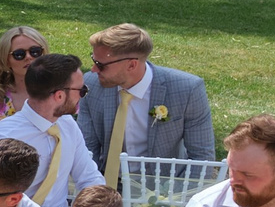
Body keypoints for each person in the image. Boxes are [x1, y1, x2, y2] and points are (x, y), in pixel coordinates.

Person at [79, 22, 216, 184]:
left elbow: (202, 159)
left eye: (101, 65)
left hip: (165, 187)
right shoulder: (91, 85)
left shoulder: (187, 89)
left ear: (131, 65)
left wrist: (174, 199)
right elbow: (86, 150)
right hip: (107, 183)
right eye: (94, 60)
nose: (94, 69)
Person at [0, 52, 102, 207]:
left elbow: (89, 178)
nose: (83, 95)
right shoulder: (2, 138)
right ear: (59, 96)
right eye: (82, 90)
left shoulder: (67, 125)